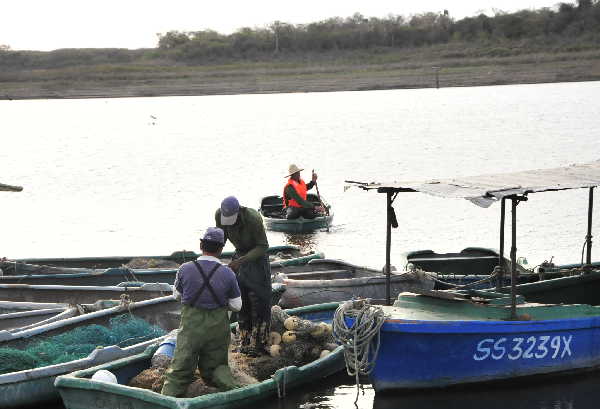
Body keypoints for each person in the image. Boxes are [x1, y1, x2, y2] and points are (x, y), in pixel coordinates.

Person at [161, 227, 242, 397]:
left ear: (200, 245)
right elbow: (236, 306)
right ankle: (232, 395)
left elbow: (177, 294)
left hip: (191, 328)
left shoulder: (184, 268)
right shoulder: (228, 274)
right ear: (220, 249)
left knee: (180, 369)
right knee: (217, 369)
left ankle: (167, 399)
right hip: (217, 329)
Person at [216, 196, 272, 356]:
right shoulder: (220, 216)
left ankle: (260, 343)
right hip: (239, 257)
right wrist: (211, 260)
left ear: (239, 211)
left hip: (256, 259)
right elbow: (221, 238)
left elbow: (263, 246)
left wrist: (242, 261)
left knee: (260, 301)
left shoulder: (252, 218)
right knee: (241, 300)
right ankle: (245, 340)